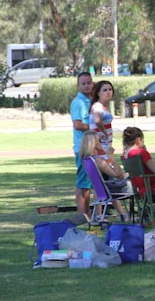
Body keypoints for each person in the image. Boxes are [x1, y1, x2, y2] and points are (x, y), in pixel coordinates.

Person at [79, 130, 133, 222]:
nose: (101, 143)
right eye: (99, 141)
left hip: (104, 189)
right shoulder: (99, 161)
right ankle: (145, 214)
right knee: (140, 183)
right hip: (112, 189)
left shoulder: (87, 160)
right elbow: (118, 175)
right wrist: (112, 157)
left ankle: (123, 215)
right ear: (94, 144)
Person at [71, 71, 94, 215]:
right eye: (83, 84)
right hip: (83, 148)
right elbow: (78, 124)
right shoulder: (78, 103)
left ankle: (89, 214)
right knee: (83, 184)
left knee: (89, 184)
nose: (87, 86)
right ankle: (83, 215)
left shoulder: (91, 101)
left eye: (89, 83)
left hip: (92, 147)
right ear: (78, 86)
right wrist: (94, 127)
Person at [122, 126, 155, 196]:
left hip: (141, 190)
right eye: (143, 140)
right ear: (138, 140)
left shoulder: (124, 156)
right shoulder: (141, 153)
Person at [90, 80, 115, 160]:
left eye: (110, 89)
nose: (108, 92)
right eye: (105, 90)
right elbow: (97, 120)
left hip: (105, 144)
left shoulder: (103, 107)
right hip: (101, 144)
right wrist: (105, 133)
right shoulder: (98, 106)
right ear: (98, 93)